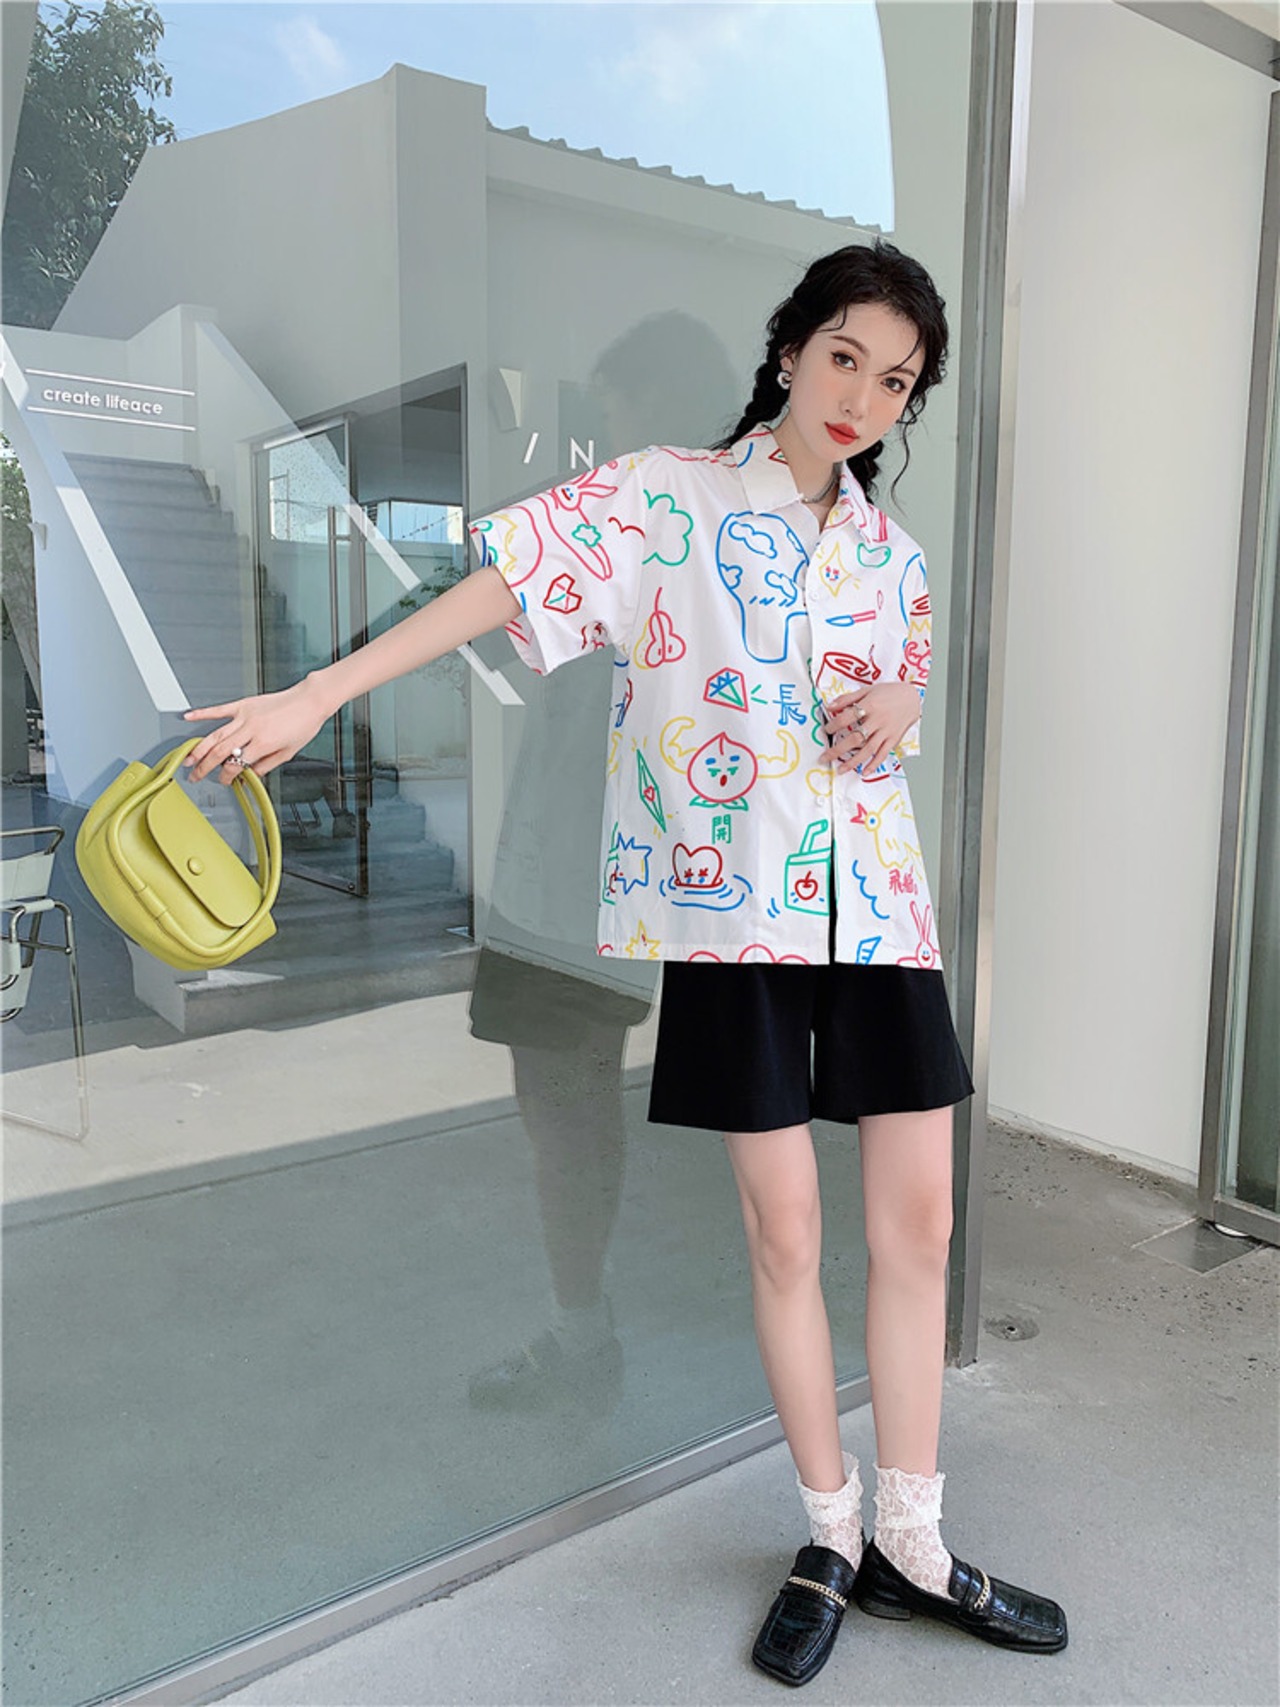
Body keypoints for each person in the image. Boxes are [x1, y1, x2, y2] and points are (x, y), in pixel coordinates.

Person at [180, 240, 1067, 1688]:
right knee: (785, 1236)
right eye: (844, 358)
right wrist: (322, 690)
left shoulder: (892, 557)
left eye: (897, 382)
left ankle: (914, 1542)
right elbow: (500, 589)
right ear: (789, 352)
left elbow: (895, 684)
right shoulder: (665, 497)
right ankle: (831, 1533)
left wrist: (906, 696)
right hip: (732, 920)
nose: (863, 397)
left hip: (877, 912)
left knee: (920, 1227)